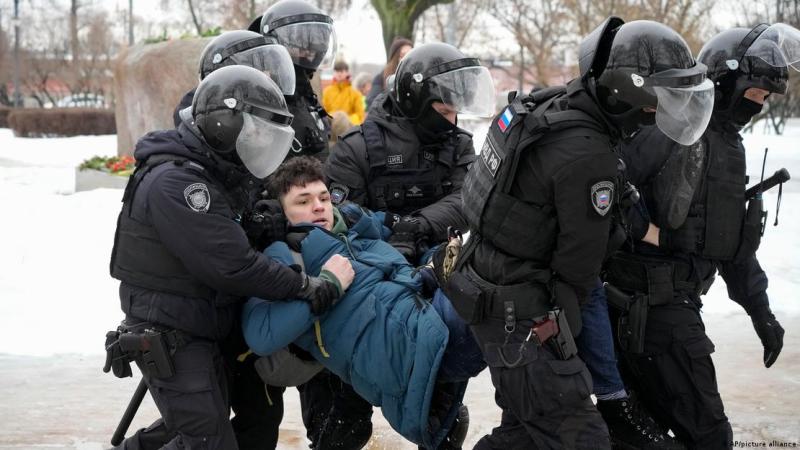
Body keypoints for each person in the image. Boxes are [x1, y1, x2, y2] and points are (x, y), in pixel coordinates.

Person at [447, 17, 715, 449]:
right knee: (583, 438)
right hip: (524, 320)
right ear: (631, 93)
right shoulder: (588, 156)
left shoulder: (548, 106)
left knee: (525, 435)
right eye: (660, 99)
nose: (662, 111)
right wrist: (573, 359)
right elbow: (579, 271)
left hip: (492, 291)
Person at [106, 65, 354, 450]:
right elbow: (232, 264)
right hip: (172, 328)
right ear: (226, 124)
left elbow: (236, 230)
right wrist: (305, 286)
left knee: (195, 428)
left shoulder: (212, 170)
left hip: (198, 321)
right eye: (253, 130)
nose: (258, 141)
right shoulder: (180, 183)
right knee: (207, 440)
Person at [604, 23, 793, 449]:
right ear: (725, 83)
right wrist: (652, 234)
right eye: (754, 95)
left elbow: (727, 241)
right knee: (709, 435)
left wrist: (760, 310)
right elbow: (606, 191)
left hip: (672, 306)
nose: (758, 107)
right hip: (652, 310)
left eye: (764, 99)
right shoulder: (669, 128)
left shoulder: (727, 146)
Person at [314, 42, 495, 450]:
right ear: (417, 100)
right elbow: (334, 215)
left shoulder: (458, 144)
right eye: (444, 111)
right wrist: (387, 235)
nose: (453, 120)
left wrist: (417, 225)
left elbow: (470, 198)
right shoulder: (358, 146)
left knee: (442, 418)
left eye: (455, 111)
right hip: (364, 284)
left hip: (433, 279)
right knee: (342, 427)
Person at [241, 156, 482, 450]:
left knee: (493, 273)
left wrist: (432, 269)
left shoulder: (357, 236)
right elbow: (261, 335)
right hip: (409, 350)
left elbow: (396, 272)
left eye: (323, 197)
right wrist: (328, 285)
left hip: (426, 323)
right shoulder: (285, 256)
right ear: (282, 213)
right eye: (302, 202)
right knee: (500, 295)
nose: (318, 206)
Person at [249, 0, 337, 159]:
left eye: (313, 46)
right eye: (301, 45)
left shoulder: (307, 95)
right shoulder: (254, 91)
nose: (310, 52)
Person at [366, 36, 413, 110]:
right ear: (395, 57)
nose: (407, 58)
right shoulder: (380, 79)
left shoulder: (417, 78)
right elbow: (373, 103)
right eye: (403, 55)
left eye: (411, 54)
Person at [322, 60, 366, 125]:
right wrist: (332, 118)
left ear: (347, 73)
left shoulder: (355, 93)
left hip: (349, 128)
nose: (339, 74)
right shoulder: (327, 92)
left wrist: (346, 121)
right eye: (337, 71)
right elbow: (324, 112)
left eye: (342, 71)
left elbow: (360, 116)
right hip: (331, 127)